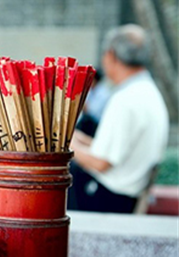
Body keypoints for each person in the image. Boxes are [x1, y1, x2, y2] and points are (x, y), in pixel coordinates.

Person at [69, 24, 169, 213]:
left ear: (110, 55)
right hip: (125, 193)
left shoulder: (126, 99)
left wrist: (68, 145)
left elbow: (101, 163)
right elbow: (108, 150)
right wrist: (76, 139)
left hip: (108, 197)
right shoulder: (146, 91)